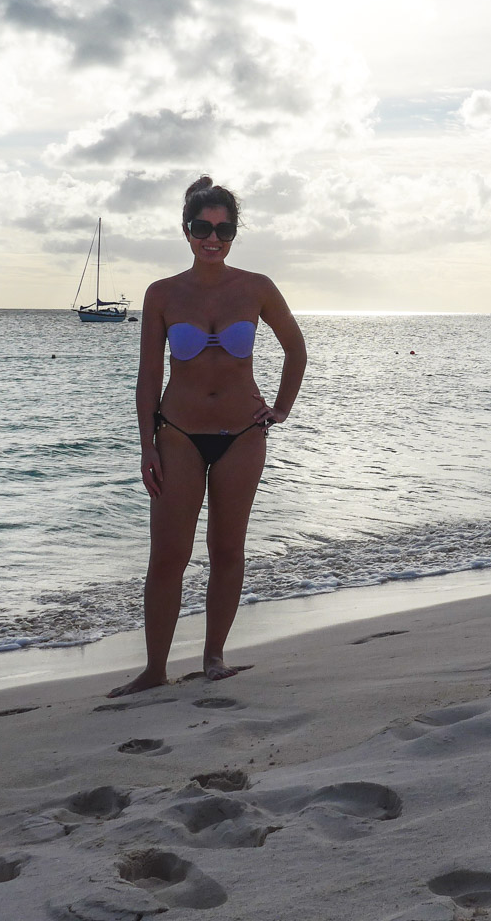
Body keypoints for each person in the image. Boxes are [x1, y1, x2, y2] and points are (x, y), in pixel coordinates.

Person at [107, 175, 307, 698]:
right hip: (177, 434)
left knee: (227, 549)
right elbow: (149, 375)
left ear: (234, 233)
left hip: (243, 432)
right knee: (168, 555)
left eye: (223, 228)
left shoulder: (257, 287)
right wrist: (146, 443)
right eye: (202, 227)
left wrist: (281, 409)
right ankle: (155, 669)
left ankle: (214, 658)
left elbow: (296, 350)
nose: (212, 238)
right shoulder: (163, 294)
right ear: (186, 230)